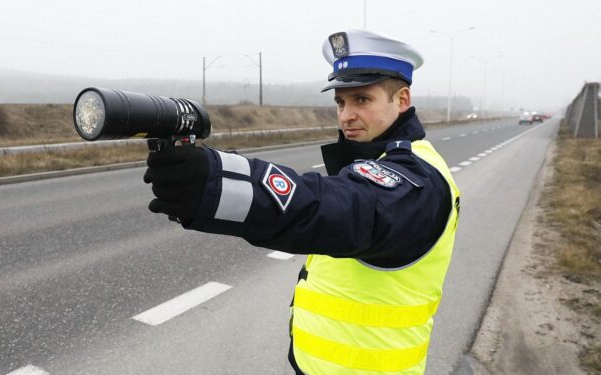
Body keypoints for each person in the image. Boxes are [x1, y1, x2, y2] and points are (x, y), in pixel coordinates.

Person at [144, 29, 460, 374]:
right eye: (341, 102)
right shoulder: (379, 161)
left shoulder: (417, 178)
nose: (346, 115)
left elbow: (331, 209)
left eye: (362, 100)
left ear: (401, 100)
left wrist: (216, 180)